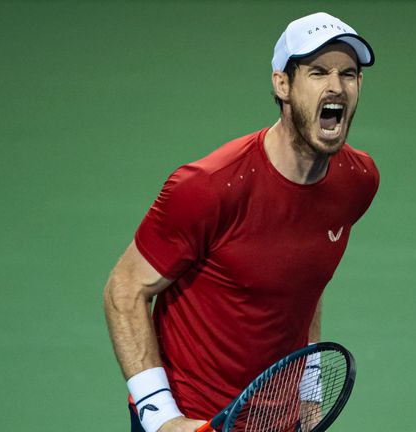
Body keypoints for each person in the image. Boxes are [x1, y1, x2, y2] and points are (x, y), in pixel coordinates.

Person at [103, 11, 379, 432]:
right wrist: (161, 416)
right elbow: (124, 290)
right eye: (318, 72)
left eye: (349, 73)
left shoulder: (357, 181)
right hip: (195, 419)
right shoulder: (209, 187)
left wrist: (308, 390)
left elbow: (306, 282)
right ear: (282, 84)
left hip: (278, 421)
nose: (336, 86)